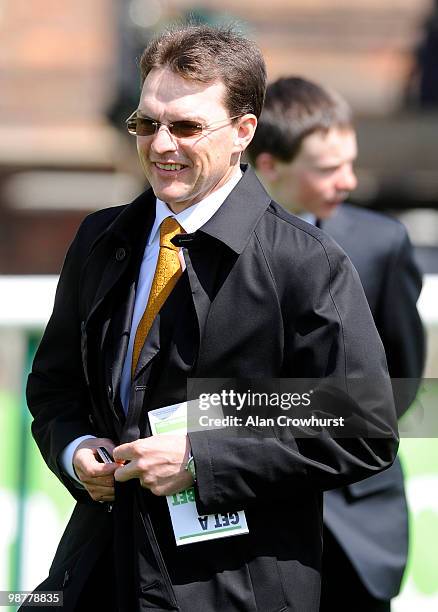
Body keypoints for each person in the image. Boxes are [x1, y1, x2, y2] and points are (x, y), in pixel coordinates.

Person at [26, 27, 398, 612]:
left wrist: (202, 459)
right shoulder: (101, 238)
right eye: (147, 124)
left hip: (236, 586)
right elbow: (53, 386)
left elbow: (363, 426)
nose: (161, 144)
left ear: (244, 132)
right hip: (101, 566)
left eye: (187, 127)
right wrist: (73, 449)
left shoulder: (307, 262)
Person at [247, 76, 425, 612]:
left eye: (350, 161)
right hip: (243, 511)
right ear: (268, 165)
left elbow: (398, 384)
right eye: (327, 168)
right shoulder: (212, 244)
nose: (348, 180)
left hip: (354, 519)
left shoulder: (381, 244)